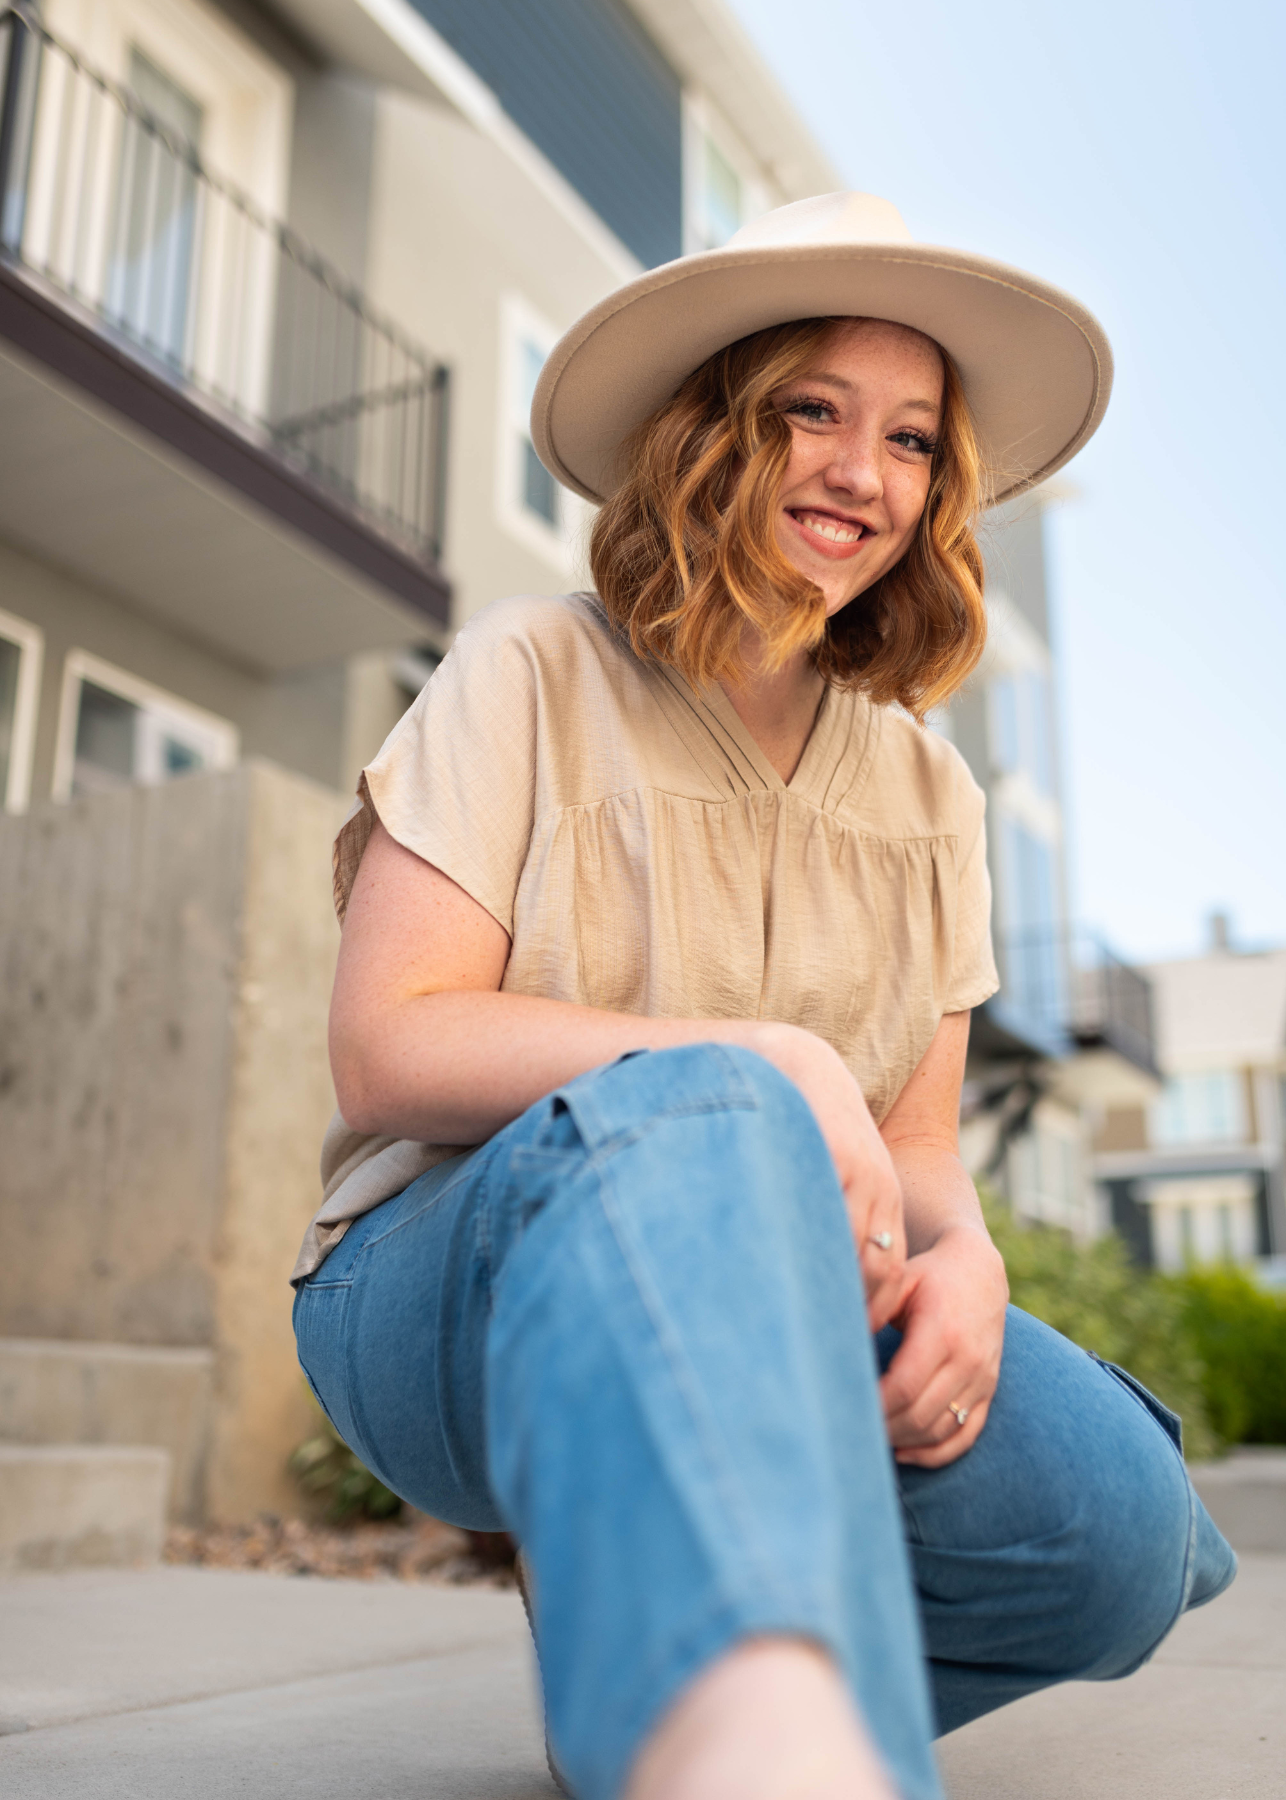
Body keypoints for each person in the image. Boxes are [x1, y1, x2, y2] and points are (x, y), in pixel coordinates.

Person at [292, 194, 1235, 1800]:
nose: (862, 476)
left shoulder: (934, 798)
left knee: (1117, 1532)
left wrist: (971, 1266)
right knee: (707, 1106)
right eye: (813, 410)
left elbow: (924, 1149)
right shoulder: (528, 671)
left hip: (806, 1301)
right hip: (451, 1295)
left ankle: (652, 1691)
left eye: (914, 441)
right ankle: (750, 1753)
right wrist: (759, 1061)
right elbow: (388, 1047)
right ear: (715, 429)